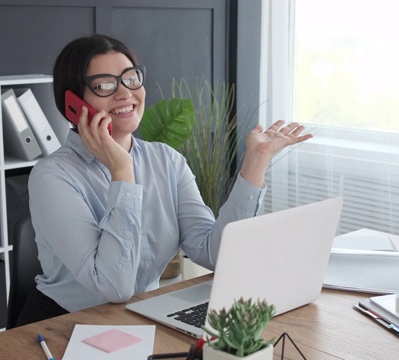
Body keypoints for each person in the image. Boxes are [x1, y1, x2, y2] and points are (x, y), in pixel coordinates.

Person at [16, 33, 312, 326]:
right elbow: (114, 287)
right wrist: (122, 172)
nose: (124, 93)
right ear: (74, 103)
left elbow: (216, 252)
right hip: (63, 327)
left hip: (142, 318)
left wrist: (256, 160)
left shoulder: (166, 160)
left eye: (131, 78)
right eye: (104, 85)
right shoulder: (53, 175)